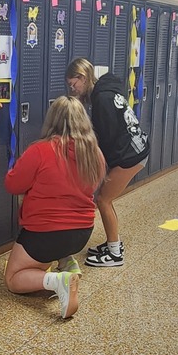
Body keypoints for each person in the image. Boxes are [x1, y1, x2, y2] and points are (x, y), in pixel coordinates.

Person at [3, 96, 106, 318]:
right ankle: (67, 262)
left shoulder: (40, 150)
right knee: (54, 241)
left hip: (45, 234)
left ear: (51, 120)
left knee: (13, 278)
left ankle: (60, 281)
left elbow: (13, 185)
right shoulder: (94, 153)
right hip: (81, 234)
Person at [66, 58, 149, 268]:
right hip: (138, 147)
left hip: (131, 155)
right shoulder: (106, 88)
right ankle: (114, 244)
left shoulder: (101, 99)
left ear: (83, 78)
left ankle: (115, 253)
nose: (72, 89)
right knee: (105, 198)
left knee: (103, 199)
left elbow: (108, 139)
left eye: (73, 84)